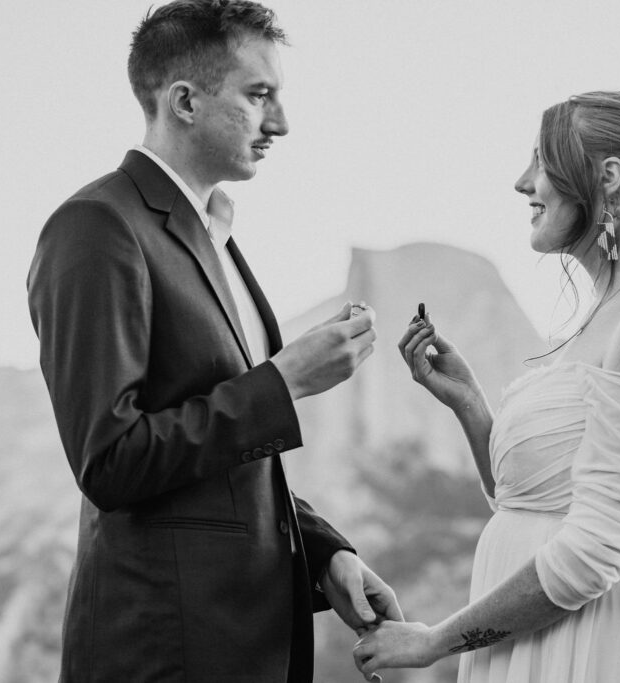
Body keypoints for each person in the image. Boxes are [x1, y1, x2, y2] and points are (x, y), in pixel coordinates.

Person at [27, 2, 401, 681]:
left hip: (240, 643)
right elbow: (110, 460)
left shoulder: (216, 238)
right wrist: (282, 383)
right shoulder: (97, 226)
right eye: (260, 95)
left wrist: (323, 553)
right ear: (185, 102)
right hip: (165, 652)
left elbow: (227, 459)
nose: (280, 123)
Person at [353, 91, 620, 682]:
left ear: (608, 177)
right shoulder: (616, 307)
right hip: (550, 642)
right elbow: (532, 500)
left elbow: (591, 555)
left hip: (611, 642)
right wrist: (470, 403)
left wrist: (432, 642)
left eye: (541, 161)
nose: (523, 183)